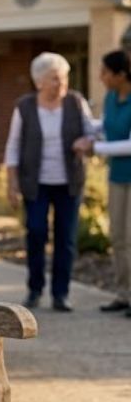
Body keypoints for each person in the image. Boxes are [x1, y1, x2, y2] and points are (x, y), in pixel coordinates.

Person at [4, 53, 96, 312]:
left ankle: (61, 293)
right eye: (55, 79)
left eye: (64, 78)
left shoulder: (76, 103)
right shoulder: (24, 106)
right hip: (36, 183)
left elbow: (91, 133)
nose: (61, 83)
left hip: (69, 182)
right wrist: (11, 184)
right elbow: (14, 145)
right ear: (39, 82)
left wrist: (87, 143)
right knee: (35, 232)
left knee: (66, 239)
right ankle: (35, 289)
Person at [75, 49, 131, 317]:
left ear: (121, 75)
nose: (101, 77)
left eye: (105, 72)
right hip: (117, 176)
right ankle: (124, 293)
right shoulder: (110, 98)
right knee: (118, 238)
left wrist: (95, 147)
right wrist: (88, 131)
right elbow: (106, 128)